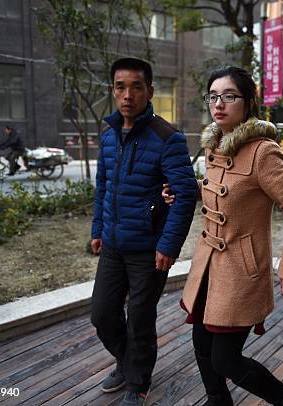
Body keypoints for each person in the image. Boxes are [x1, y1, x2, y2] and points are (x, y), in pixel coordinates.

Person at [164, 66, 283, 406]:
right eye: (213, 96)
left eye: (229, 96)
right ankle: (219, 402)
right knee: (201, 346)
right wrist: (186, 192)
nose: (219, 104)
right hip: (208, 265)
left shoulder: (263, 152)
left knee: (226, 359)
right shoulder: (214, 144)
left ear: (248, 102)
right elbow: (225, 195)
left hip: (240, 271)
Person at [90, 57, 198, 406]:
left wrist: (168, 245)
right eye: (121, 87)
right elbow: (103, 186)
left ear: (149, 91)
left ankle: (137, 380)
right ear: (113, 91)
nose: (128, 94)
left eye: (136, 86)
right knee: (102, 314)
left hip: (149, 248)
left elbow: (184, 197)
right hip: (113, 245)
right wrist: (98, 230)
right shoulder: (108, 137)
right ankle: (126, 361)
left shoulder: (168, 138)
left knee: (139, 317)